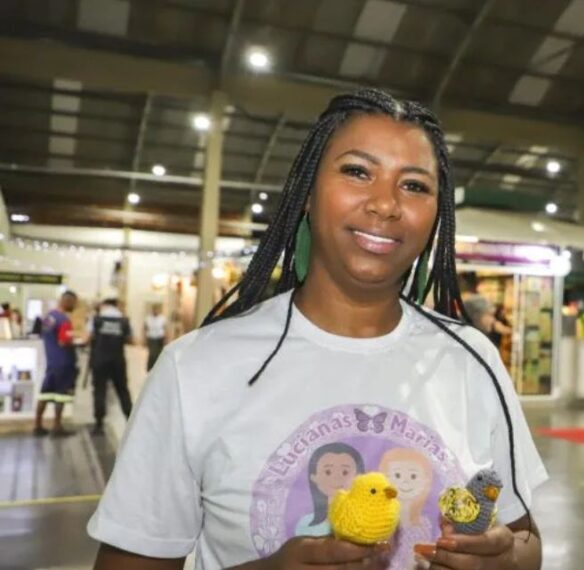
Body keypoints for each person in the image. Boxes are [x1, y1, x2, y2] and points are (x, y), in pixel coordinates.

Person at [89, 89, 547, 570]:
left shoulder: (472, 358)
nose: (386, 204)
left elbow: (524, 540)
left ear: (437, 215)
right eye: (357, 171)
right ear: (307, 192)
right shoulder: (197, 367)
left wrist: (504, 562)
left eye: (414, 186)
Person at [34, 291, 78, 437]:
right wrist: (77, 341)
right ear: (68, 301)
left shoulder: (49, 317)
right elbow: (63, 341)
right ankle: (57, 426)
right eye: (74, 302)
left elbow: (44, 335)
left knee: (45, 393)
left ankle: (38, 425)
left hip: (51, 362)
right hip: (64, 362)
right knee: (61, 395)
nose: (75, 306)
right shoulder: (64, 320)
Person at [89, 298, 134, 436]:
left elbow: (89, 337)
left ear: (105, 305)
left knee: (99, 391)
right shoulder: (124, 321)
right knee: (122, 391)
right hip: (117, 361)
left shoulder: (96, 320)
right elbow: (131, 340)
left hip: (100, 360)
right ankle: (132, 423)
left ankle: (99, 424)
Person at [144, 303, 167, 371]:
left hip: (160, 338)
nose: (156, 311)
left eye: (157, 310)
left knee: (158, 354)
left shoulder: (162, 318)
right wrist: (144, 338)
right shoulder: (148, 318)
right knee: (152, 354)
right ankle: (150, 368)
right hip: (151, 338)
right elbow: (145, 328)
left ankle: (158, 368)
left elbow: (165, 329)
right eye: (154, 310)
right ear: (152, 310)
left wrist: (166, 339)